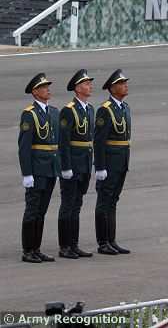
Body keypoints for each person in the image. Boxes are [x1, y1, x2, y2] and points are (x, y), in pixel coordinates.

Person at [18, 73, 60, 263]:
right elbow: (24, 147)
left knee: (42, 210)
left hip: (51, 168)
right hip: (36, 169)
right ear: (35, 92)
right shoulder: (30, 114)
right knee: (32, 209)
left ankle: (37, 248)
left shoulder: (53, 112)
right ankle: (28, 250)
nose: (47, 89)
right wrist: (27, 173)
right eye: (43, 87)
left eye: (48, 86)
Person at [57, 69, 95, 259]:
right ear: (78, 88)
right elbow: (63, 142)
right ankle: (65, 246)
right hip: (72, 165)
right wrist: (65, 167)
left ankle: (74, 244)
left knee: (77, 205)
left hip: (85, 164)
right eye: (87, 83)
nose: (90, 86)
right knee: (68, 205)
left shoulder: (89, 109)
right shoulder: (68, 111)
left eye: (90, 83)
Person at [94, 69, 131, 255]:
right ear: (112, 88)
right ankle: (103, 242)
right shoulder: (105, 110)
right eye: (121, 83)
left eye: (125, 82)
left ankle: (112, 239)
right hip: (109, 163)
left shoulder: (125, 108)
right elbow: (99, 141)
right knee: (104, 201)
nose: (125, 85)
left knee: (113, 200)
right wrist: (100, 167)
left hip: (121, 162)